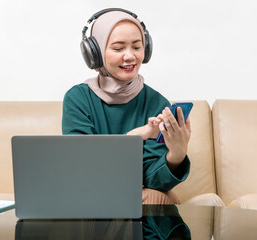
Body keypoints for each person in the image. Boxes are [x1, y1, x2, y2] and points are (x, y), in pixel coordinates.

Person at [62, 8, 191, 204]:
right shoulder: (78, 99)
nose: (130, 56)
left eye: (137, 47)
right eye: (118, 48)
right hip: (91, 199)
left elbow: (153, 181)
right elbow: (84, 168)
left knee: (159, 197)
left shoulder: (157, 103)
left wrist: (177, 153)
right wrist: (137, 136)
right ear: (94, 54)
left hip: (139, 201)